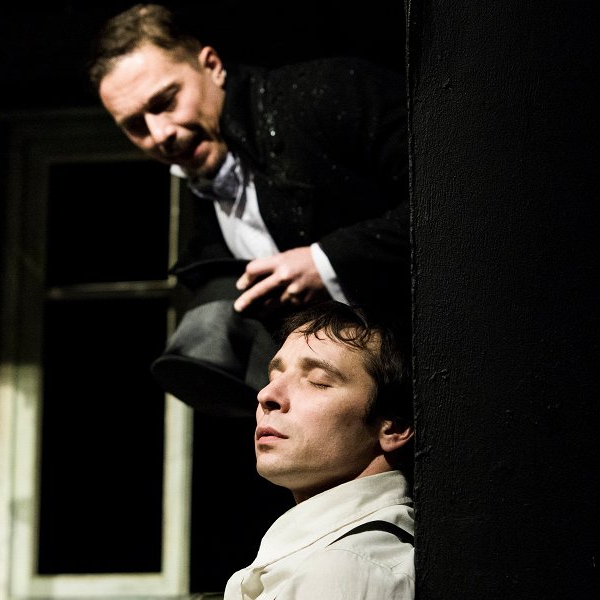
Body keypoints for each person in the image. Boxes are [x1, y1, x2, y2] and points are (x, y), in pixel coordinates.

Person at [87, 4, 410, 416]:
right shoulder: (206, 195)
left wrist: (327, 262)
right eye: (135, 126)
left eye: (166, 101)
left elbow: (461, 190)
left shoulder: (325, 91)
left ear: (212, 66)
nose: (160, 134)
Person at [224, 300, 414, 599]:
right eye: (274, 377)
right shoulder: (321, 556)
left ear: (394, 427)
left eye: (317, 382)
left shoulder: (345, 567)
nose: (267, 394)